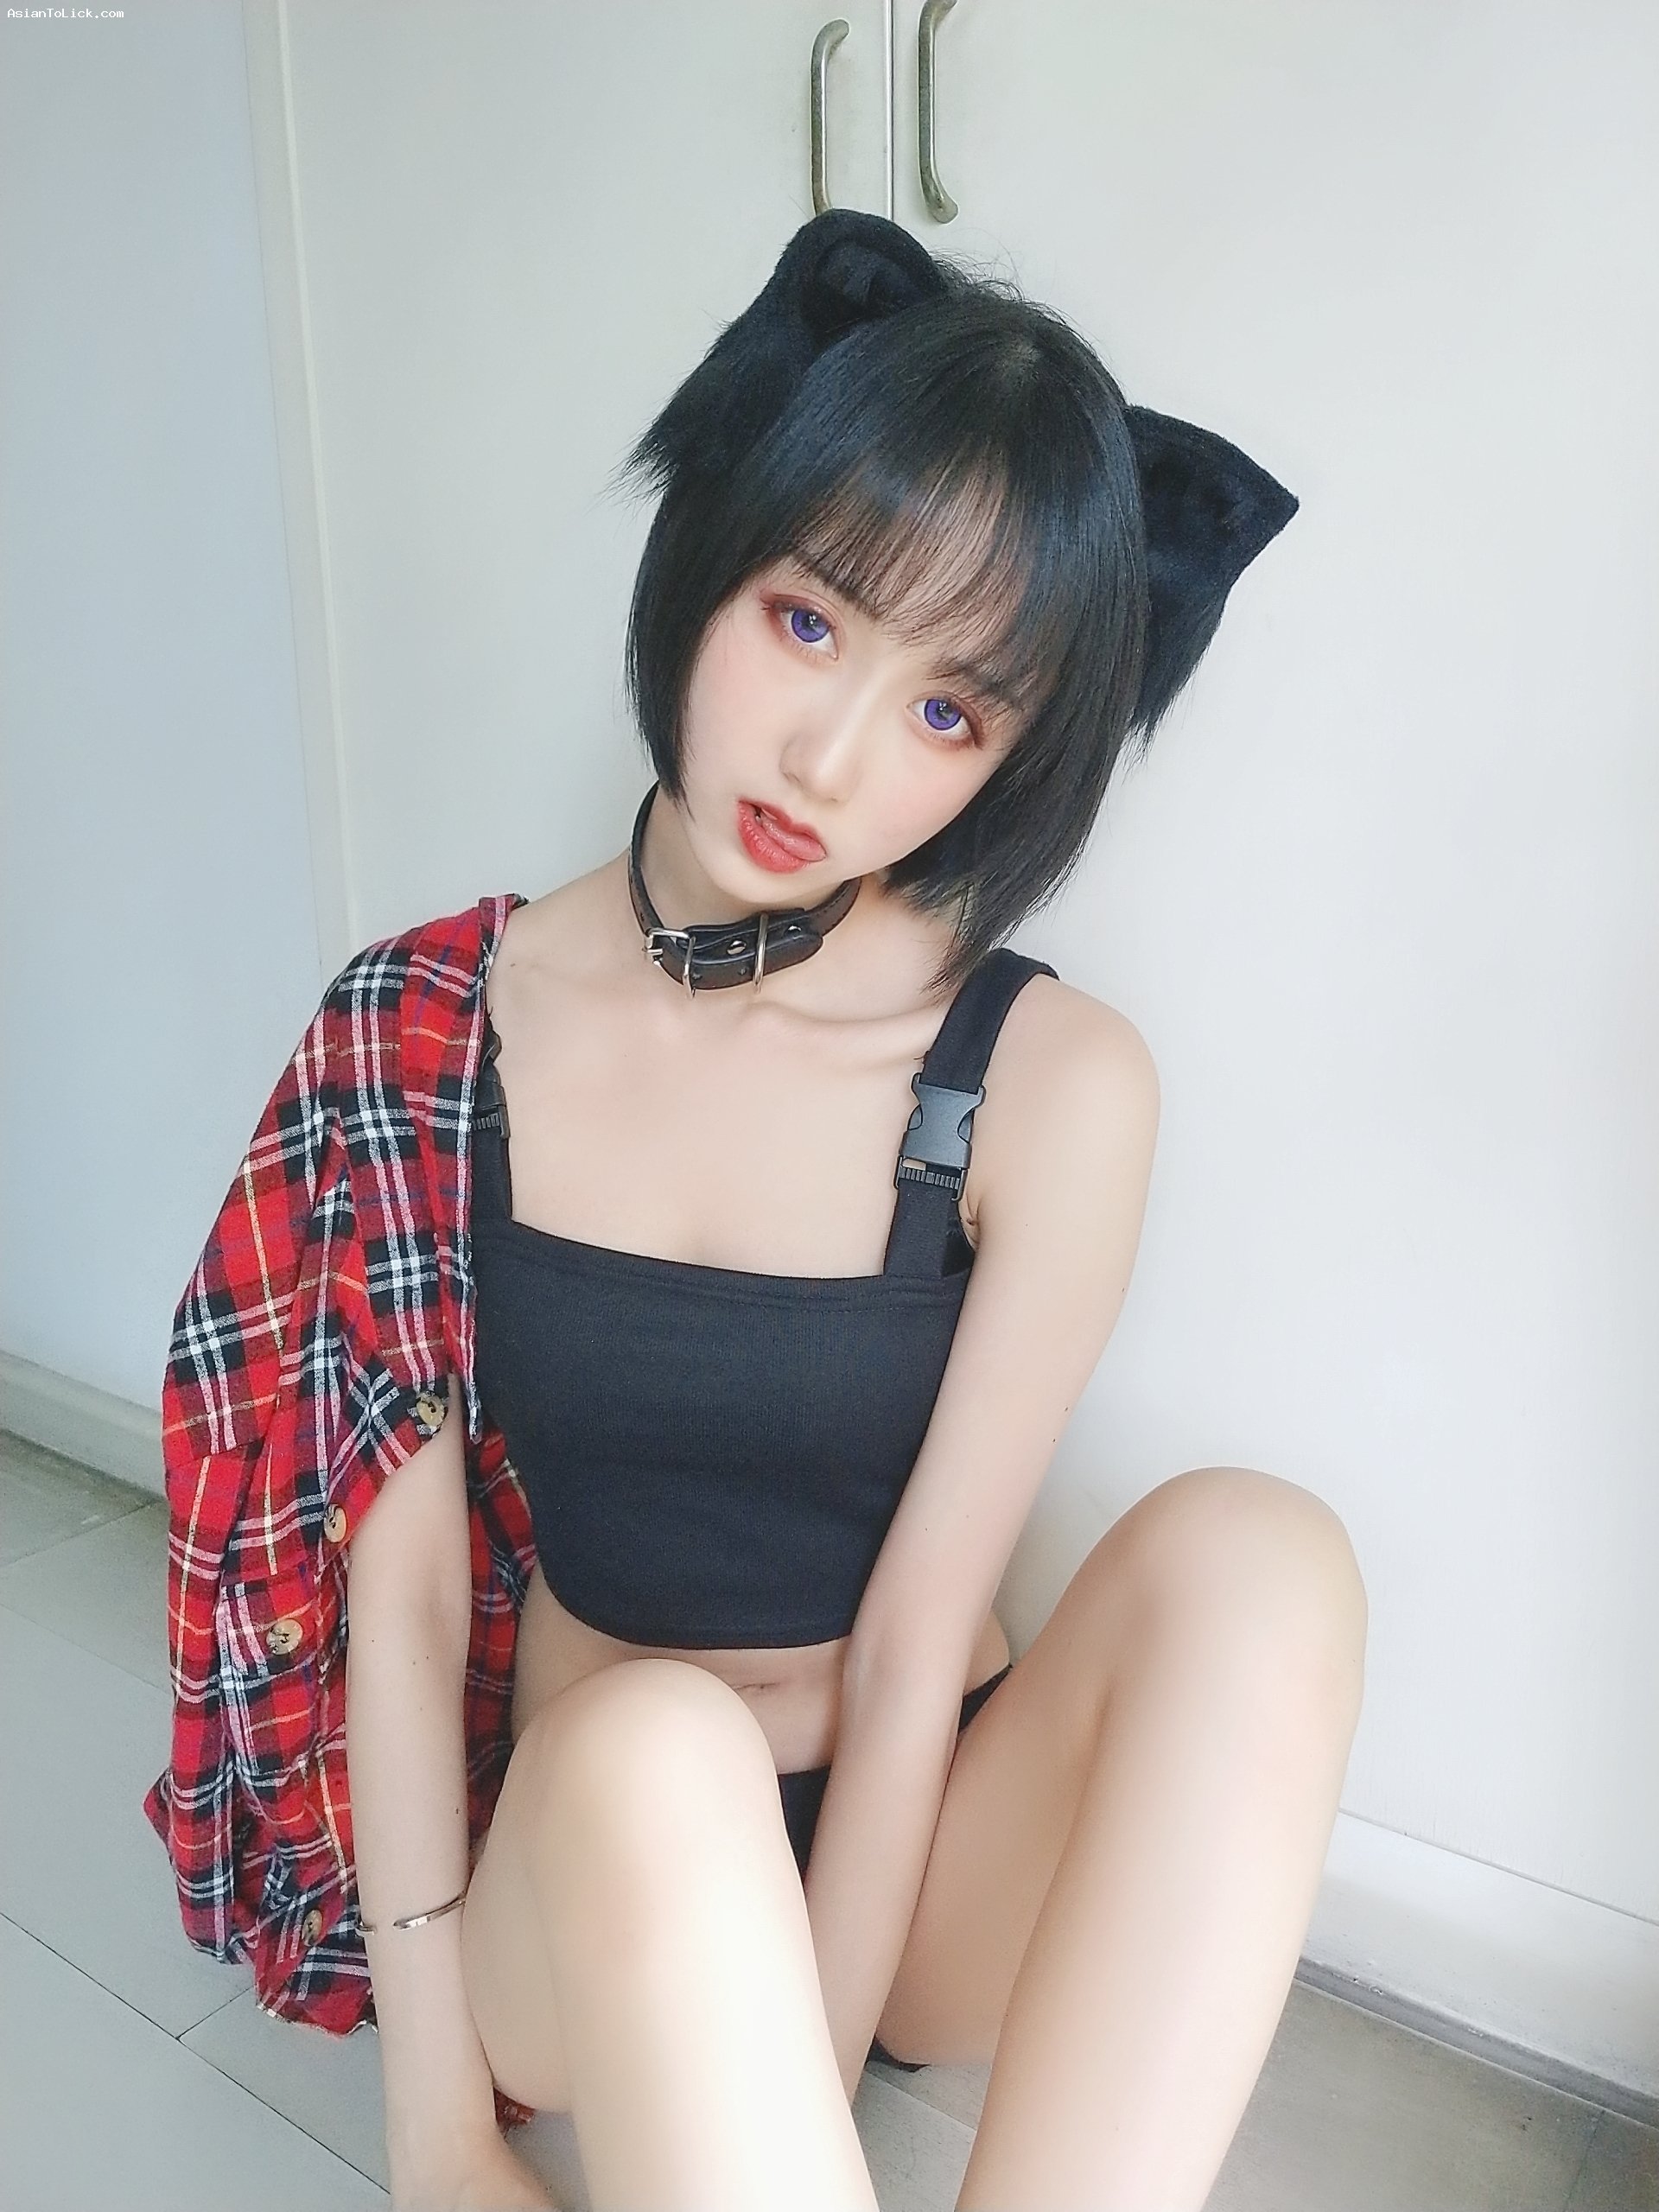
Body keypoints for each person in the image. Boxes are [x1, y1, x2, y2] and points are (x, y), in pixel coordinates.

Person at [146, 210, 1366, 2212]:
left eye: (949, 713)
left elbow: (913, 1644)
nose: (830, 755)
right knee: (664, 1747)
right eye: (808, 622)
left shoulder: (1048, 1080)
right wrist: (439, 2133)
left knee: (1266, 1561)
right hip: (599, 1868)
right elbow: (407, 1599)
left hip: (922, 1838)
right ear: (710, 550)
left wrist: (814, 2049)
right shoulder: (435, 1019)